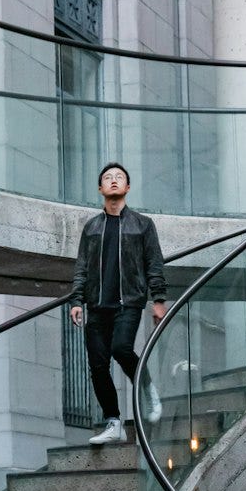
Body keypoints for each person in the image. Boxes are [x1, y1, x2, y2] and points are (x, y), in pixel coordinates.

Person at [70, 162, 167, 444]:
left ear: (127, 187)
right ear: (100, 188)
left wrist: (158, 299)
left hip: (129, 302)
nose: (113, 181)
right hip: (97, 305)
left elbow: (154, 264)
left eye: (119, 178)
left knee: (121, 348)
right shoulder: (91, 228)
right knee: (98, 365)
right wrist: (76, 299)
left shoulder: (143, 225)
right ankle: (114, 422)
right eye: (108, 178)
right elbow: (82, 267)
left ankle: (146, 388)